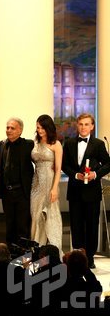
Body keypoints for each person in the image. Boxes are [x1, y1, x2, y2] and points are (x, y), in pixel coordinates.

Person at [61, 113, 110, 269]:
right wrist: (76, 175)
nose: (83, 127)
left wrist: (95, 174)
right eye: (81, 124)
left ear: (92, 126)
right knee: (76, 225)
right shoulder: (68, 143)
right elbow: (64, 165)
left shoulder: (98, 144)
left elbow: (108, 164)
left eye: (87, 124)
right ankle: (78, 257)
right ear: (77, 125)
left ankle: (89, 257)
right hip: (75, 190)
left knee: (91, 225)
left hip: (92, 192)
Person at [0, 117, 35, 247]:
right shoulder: (1, 145)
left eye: (12, 128)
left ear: (20, 131)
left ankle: (23, 256)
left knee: (22, 226)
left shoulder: (28, 144)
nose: (9, 130)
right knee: (9, 225)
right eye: (7, 127)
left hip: (22, 192)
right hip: (7, 192)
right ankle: (10, 255)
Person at [30, 114, 63, 252]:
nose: (40, 130)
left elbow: (58, 169)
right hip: (36, 183)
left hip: (50, 183)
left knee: (50, 217)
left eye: (43, 128)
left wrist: (54, 188)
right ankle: (36, 249)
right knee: (35, 216)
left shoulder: (56, 144)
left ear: (48, 128)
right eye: (38, 128)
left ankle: (54, 251)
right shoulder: (35, 142)